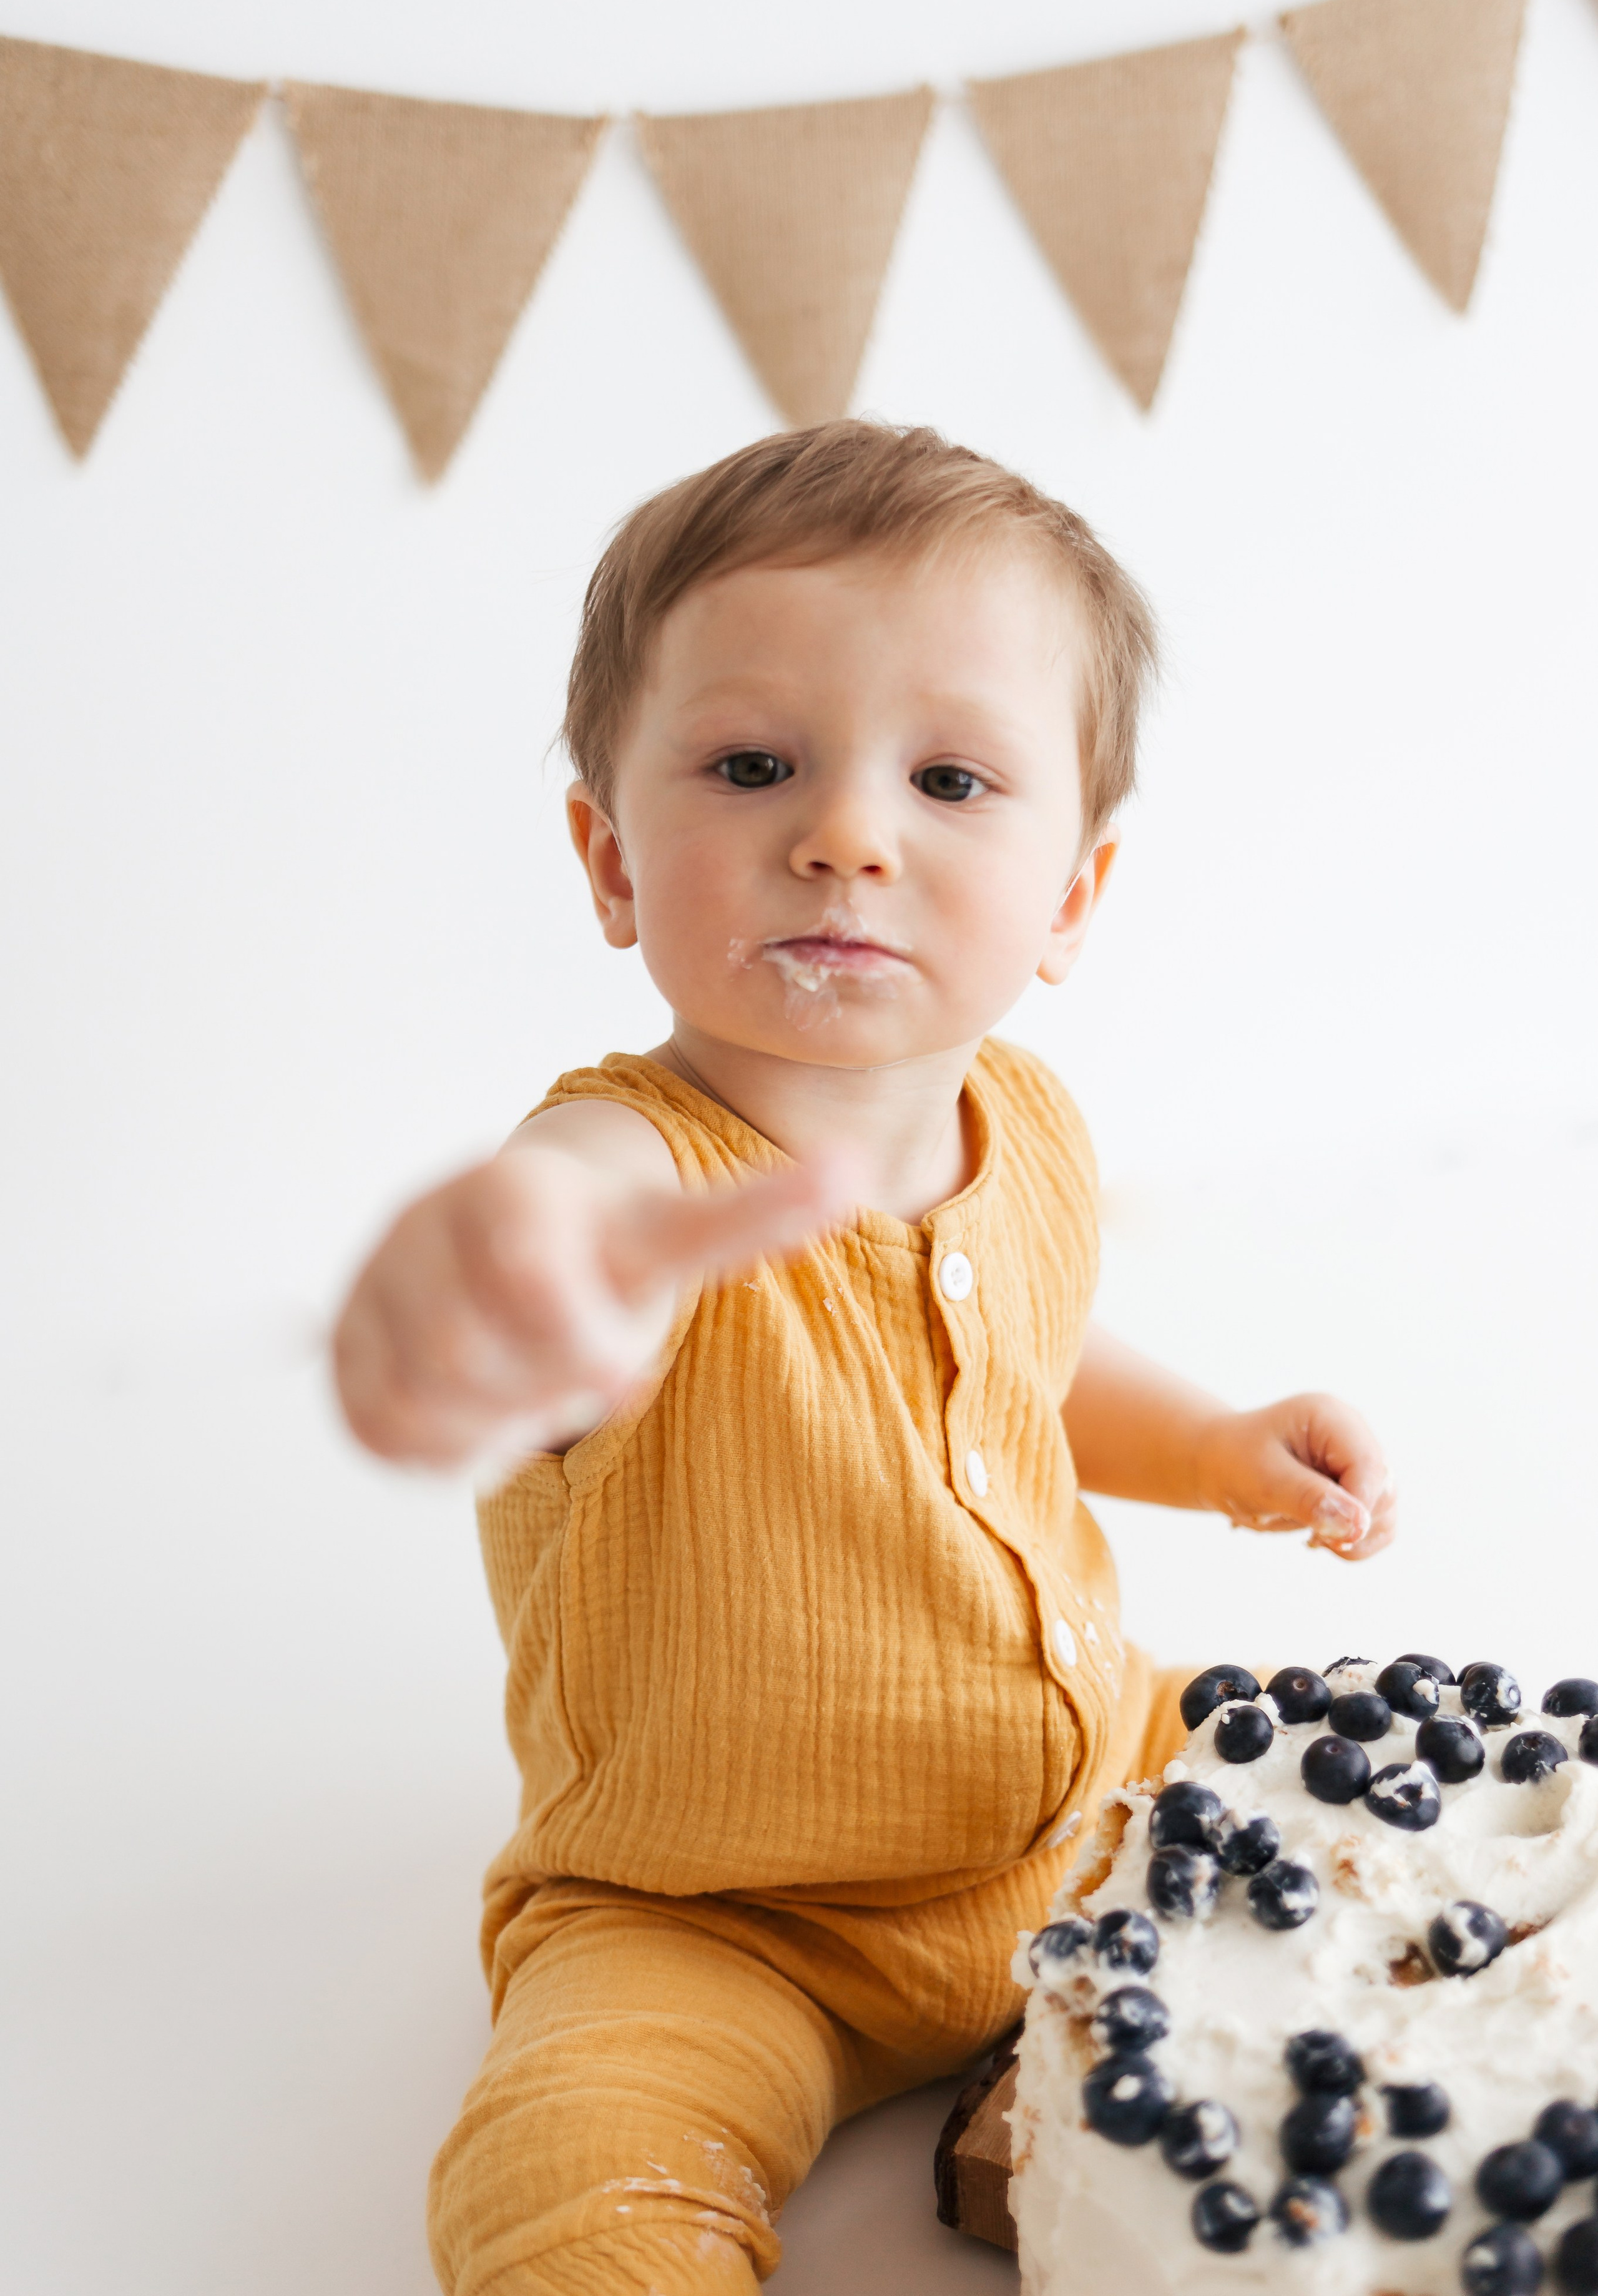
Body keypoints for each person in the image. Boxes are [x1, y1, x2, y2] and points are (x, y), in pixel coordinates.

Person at [333, 420, 1395, 2295]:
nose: (844, 833)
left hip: (1090, 1792)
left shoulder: (1034, 1124)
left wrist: (1221, 1442)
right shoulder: (632, 1176)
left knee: (1397, 1771)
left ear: (1071, 896)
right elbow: (560, 1242)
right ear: (608, 857)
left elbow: (1032, 1366)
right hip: (726, 1919)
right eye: (754, 767)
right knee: (577, 2180)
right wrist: (505, 1278)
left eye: (953, 778)